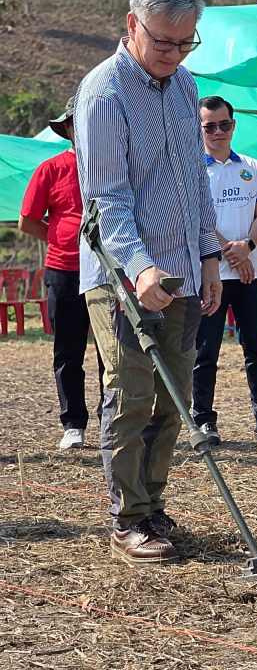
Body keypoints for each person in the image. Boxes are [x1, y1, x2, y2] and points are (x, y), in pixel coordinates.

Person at [77, 0, 222, 565]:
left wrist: (208, 255)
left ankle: (153, 503)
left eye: (186, 42)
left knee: (175, 397)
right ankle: (129, 518)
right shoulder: (103, 92)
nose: (174, 53)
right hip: (122, 277)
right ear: (132, 25)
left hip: (183, 270)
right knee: (132, 394)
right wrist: (139, 270)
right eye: (163, 41)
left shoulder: (186, 86)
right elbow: (106, 198)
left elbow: (196, 181)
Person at [190, 95, 257, 446]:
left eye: (224, 124)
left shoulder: (252, 166)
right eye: (210, 126)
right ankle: (203, 421)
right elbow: (198, 219)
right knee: (205, 352)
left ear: (233, 125)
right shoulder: (191, 168)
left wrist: (247, 247)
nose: (218, 131)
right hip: (210, 275)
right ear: (199, 129)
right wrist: (232, 255)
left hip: (251, 274)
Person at [19, 95, 104, 450]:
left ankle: (112, 420)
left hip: (108, 272)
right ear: (68, 128)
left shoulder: (112, 165)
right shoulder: (50, 169)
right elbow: (28, 221)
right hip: (64, 269)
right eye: (75, 123)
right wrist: (61, 238)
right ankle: (73, 424)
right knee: (68, 350)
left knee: (111, 351)